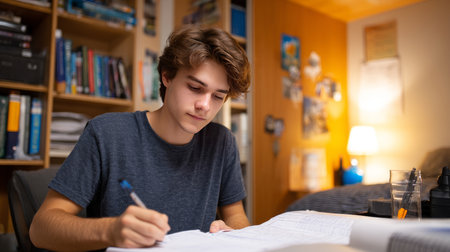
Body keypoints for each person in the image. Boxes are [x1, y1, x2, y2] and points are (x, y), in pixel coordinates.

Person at [29, 25, 251, 251]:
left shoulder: (222, 142)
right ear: (167, 77)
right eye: (195, 87)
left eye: (217, 96)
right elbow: (40, 229)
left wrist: (232, 233)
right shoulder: (107, 134)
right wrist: (110, 231)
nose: (204, 105)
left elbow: (236, 216)